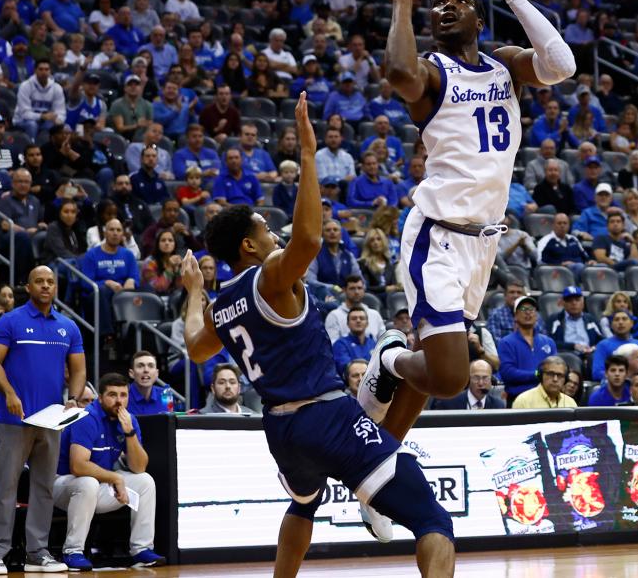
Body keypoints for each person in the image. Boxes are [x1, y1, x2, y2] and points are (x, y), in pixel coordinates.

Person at [180, 93, 455, 572]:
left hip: (281, 429)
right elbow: (308, 239)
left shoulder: (221, 305)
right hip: (324, 416)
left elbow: (195, 347)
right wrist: (308, 154)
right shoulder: (268, 275)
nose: (275, 235)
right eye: (266, 229)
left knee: (303, 503)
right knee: (434, 519)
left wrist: (193, 290)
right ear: (249, 245)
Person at [361, 0, 576, 455]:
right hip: (436, 236)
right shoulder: (433, 73)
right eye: (439, 3)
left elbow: (563, 65)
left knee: (435, 371)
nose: (446, 6)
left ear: (480, 19)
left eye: (458, 0)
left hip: (482, 244)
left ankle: (377, 470)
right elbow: (397, 71)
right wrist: (404, 2)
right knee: (453, 377)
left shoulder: (505, 65)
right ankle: (387, 357)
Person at [0, 266, 86, 574]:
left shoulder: (68, 326)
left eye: (50, 282)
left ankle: (37, 552)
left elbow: (79, 369)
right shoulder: (11, 320)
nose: (45, 286)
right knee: (6, 485)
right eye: (39, 281)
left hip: (52, 421)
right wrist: (10, 394)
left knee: (43, 486)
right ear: (28, 287)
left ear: (55, 287)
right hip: (14, 419)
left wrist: (74, 396)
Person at [53, 373, 163, 571]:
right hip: (62, 486)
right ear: (100, 398)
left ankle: (141, 549)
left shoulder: (128, 420)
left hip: (98, 488)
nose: (119, 401)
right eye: (113, 395)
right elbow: (77, 466)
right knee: (88, 483)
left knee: (145, 481)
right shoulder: (86, 418)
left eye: (123, 395)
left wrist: (129, 432)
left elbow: (139, 467)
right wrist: (115, 477)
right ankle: (72, 551)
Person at [497, 295, 557, 402]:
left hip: (546, 397)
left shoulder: (549, 342)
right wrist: (537, 374)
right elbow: (508, 373)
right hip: (518, 398)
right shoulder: (506, 342)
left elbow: (555, 369)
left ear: (537, 315)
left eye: (531, 309)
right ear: (515, 316)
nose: (528, 312)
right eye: (523, 309)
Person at [324, 275, 386, 343]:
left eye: (359, 288)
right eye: (352, 288)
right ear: (344, 290)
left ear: (364, 290)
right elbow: (333, 344)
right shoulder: (334, 316)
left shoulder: (375, 315)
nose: (356, 292)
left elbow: (384, 343)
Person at [429, 359, 505, 410]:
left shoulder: (498, 406)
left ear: (491, 381)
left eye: (485, 378)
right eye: (476, 378)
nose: (481, 383)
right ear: (469, 379)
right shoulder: (449, 404)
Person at [512, 355, 577, 409]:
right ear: (540, 375)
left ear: (565, 379)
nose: (555, 379)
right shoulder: (523, 401)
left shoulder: (571, 403)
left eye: (560, 375)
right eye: (550, 374)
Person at [332, 307, 376, 377]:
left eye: (362, 318)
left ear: (367, 323)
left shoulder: (373, 343)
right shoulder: (340, 344)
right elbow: (346, 369)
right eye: (354, 318)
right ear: (348, 324)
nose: (358, 321)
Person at [127, 350, 168, 416]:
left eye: (151, 366)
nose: (146, 370)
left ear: (157, 373)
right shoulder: (123, 395)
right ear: (132, 373)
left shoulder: (165, 395)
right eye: (140, 366)